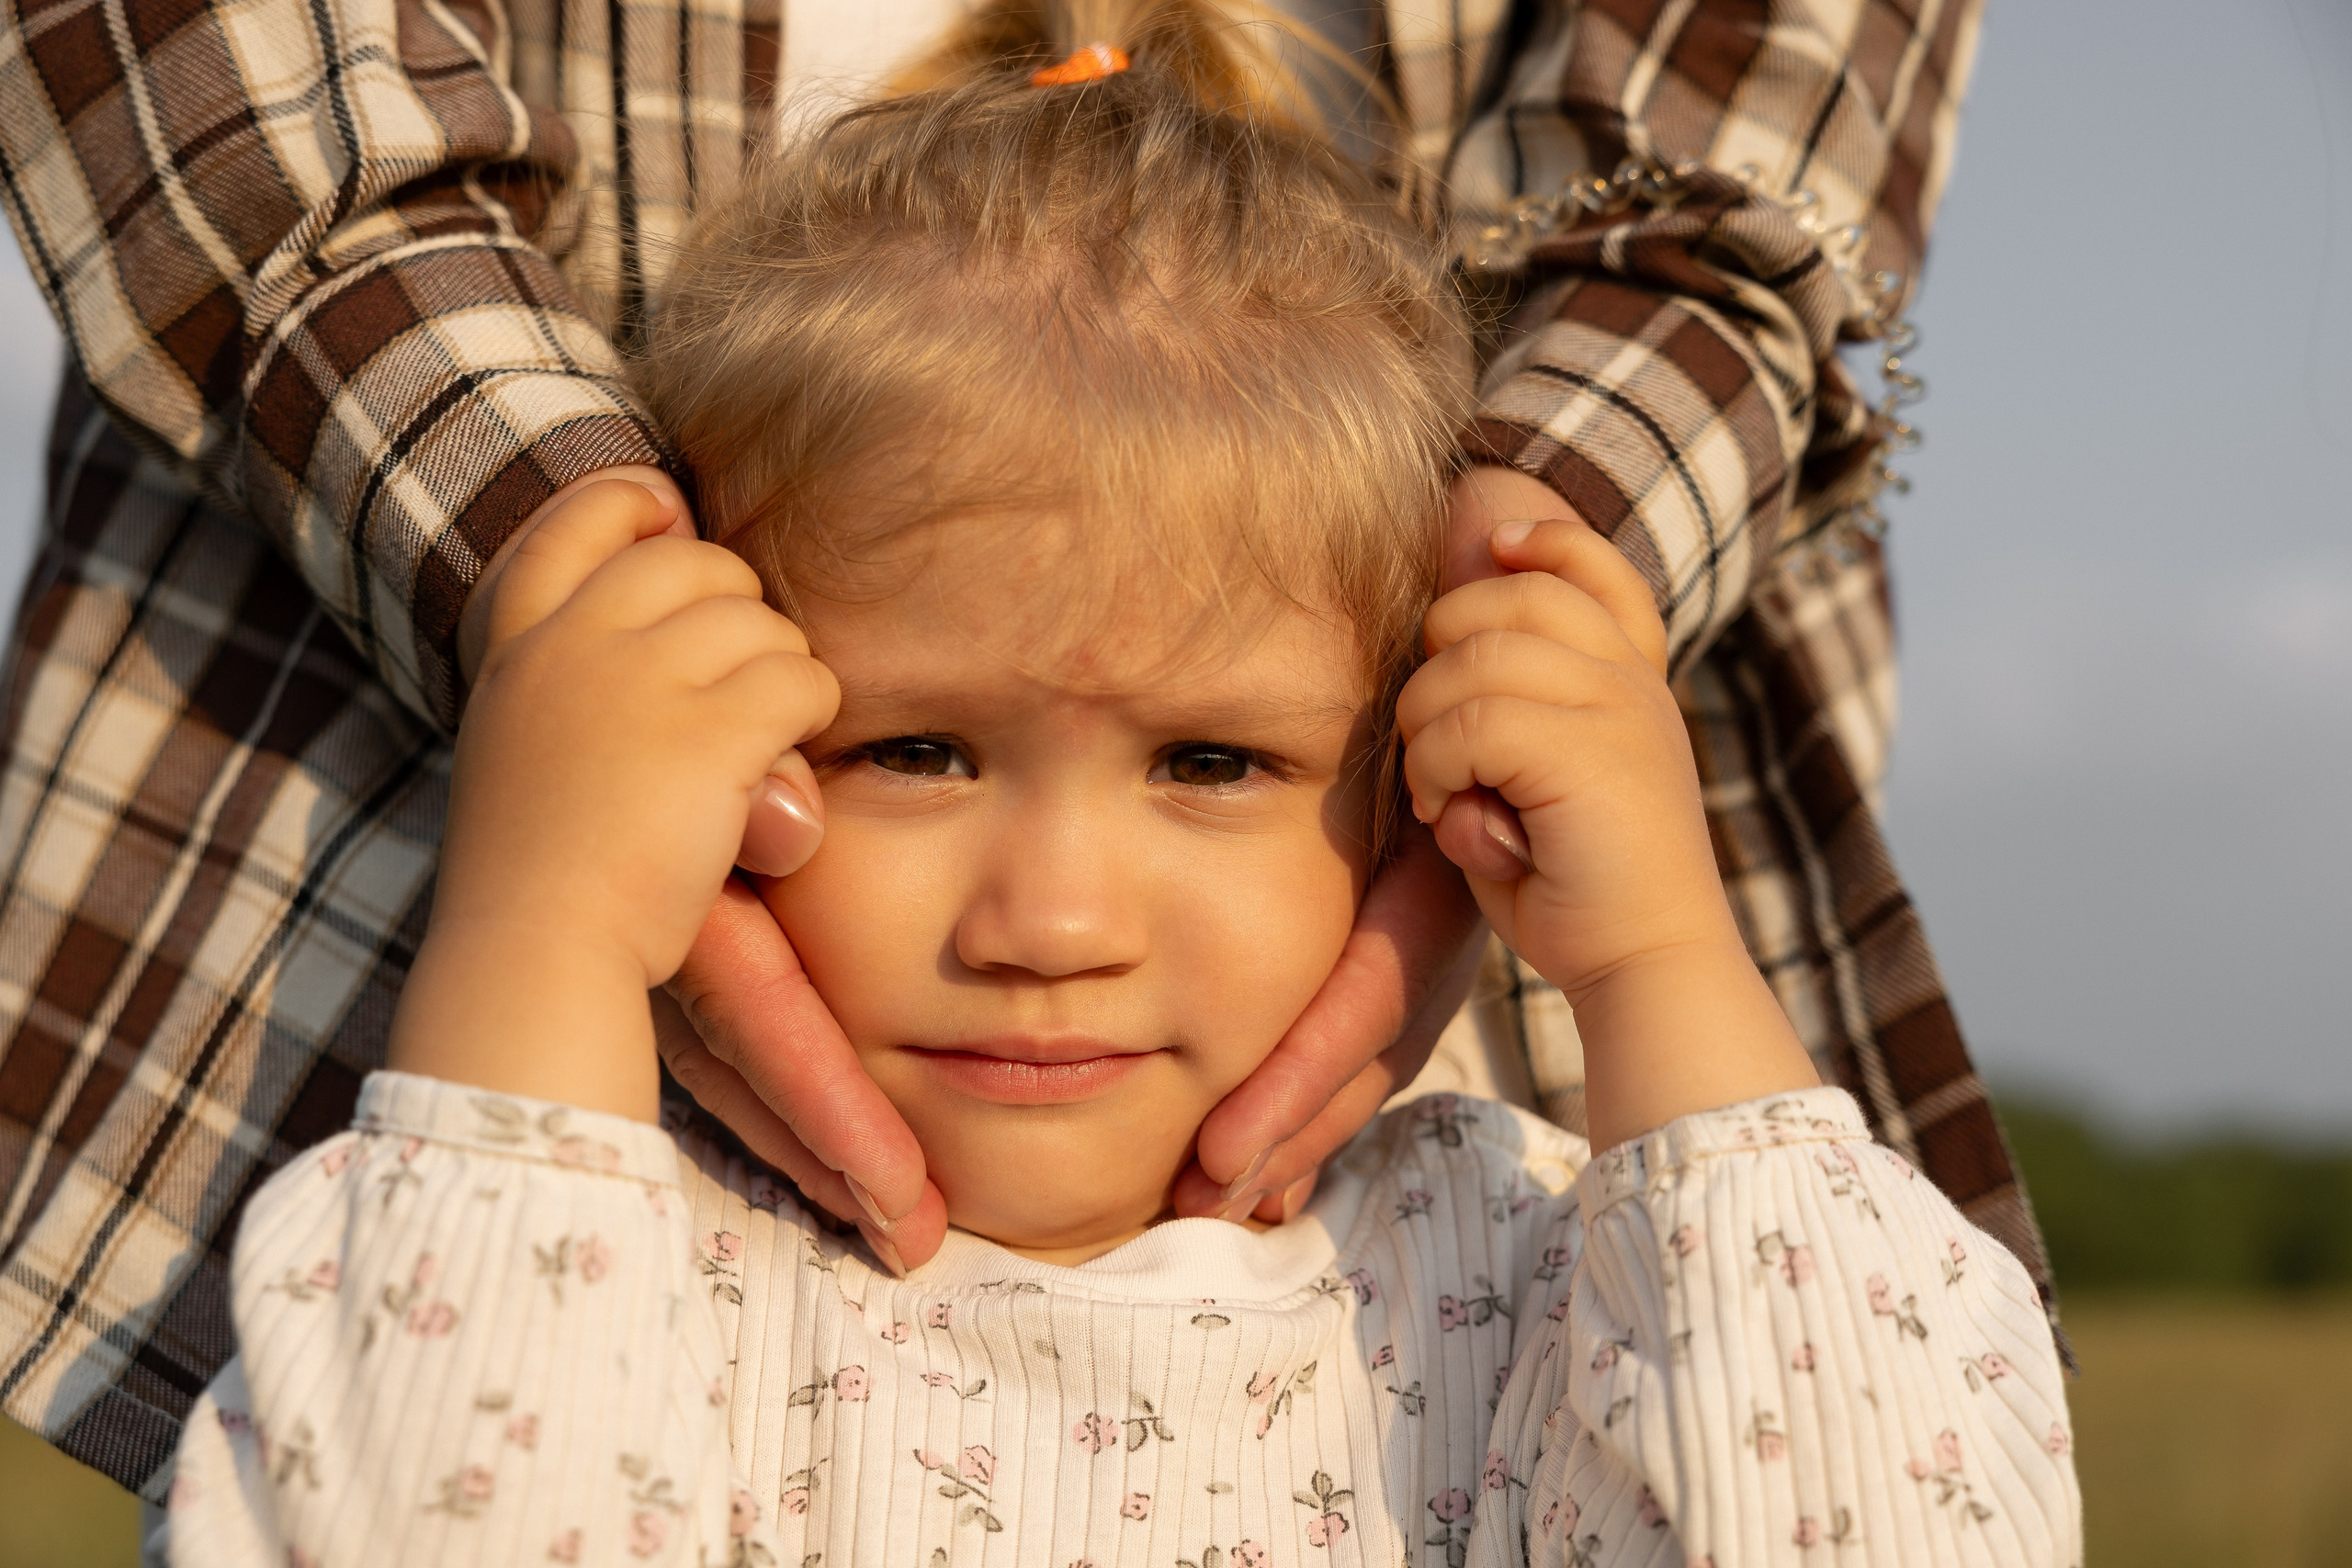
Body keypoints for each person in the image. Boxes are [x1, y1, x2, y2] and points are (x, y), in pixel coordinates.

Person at [0, 0, 2042, 1509]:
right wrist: (539, 923)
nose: (1049, 922)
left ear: (1411, 766)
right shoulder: (594, 1264)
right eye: (911, 747)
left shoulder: (1523, 1270)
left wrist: (1660, 962)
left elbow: (1880, 1511)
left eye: (1212, 762)